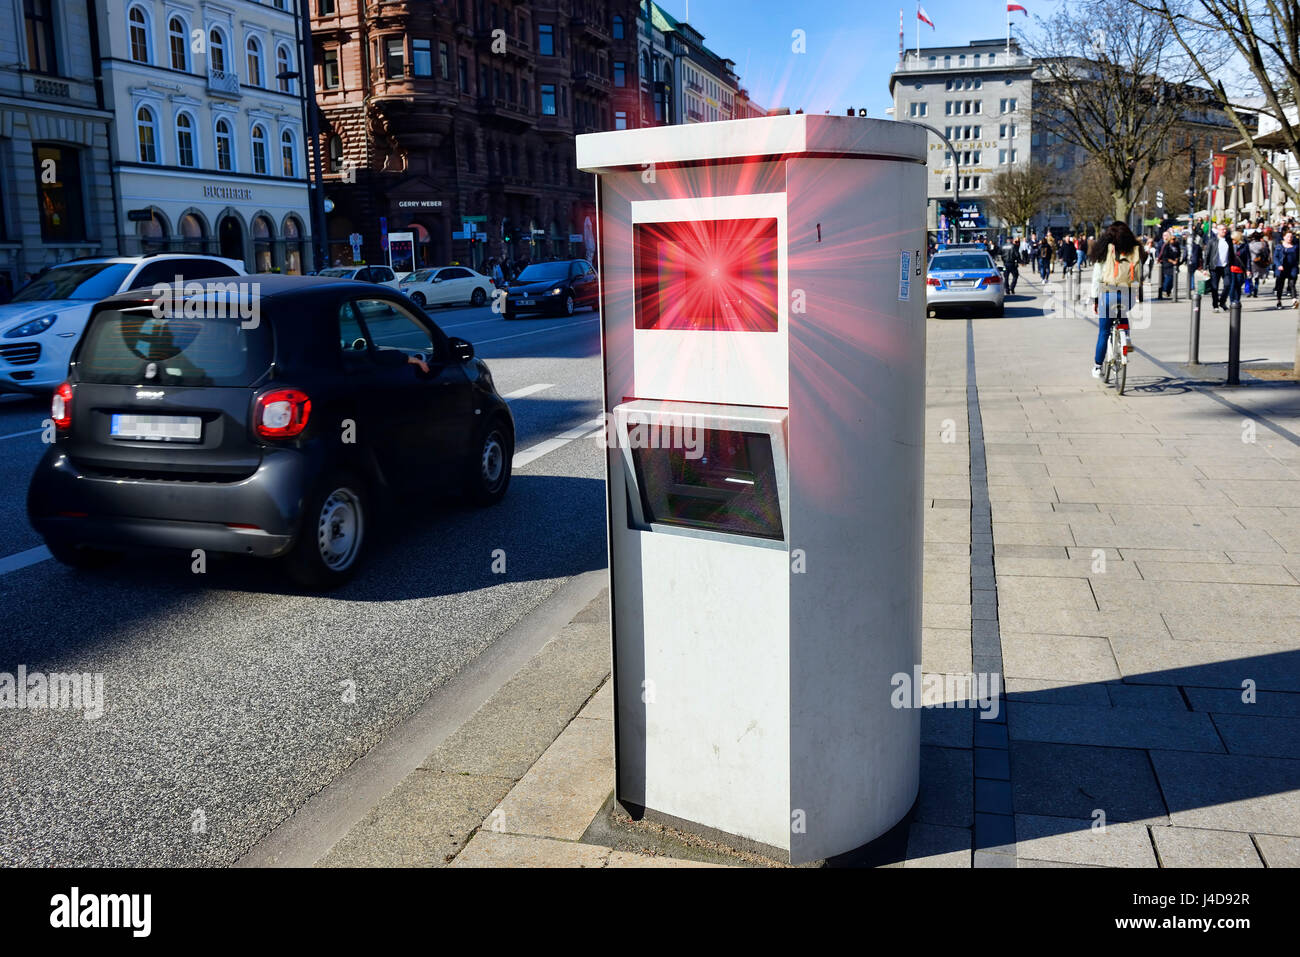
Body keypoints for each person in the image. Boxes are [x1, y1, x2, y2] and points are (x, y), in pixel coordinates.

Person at [1089, 221, 1143, 379]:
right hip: (1128, 294)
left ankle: (1098, 367)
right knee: (1122, 313)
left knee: (1104, 331)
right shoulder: (1135, 249)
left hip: (1109, 292)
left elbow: (1097, 277)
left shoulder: (1106, 249)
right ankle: (1126, 338)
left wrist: (1095, 299)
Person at [1201, 222, 1232, 311]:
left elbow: (1232, 254)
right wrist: (1205, 267)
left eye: (1225, 229)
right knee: (1214, 287)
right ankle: (1215, 305)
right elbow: (1207, 254)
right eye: (1222, 229)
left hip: (1226, 266)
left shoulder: (1228, 240)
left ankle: (1222, 302)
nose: (1224, 231)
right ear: (1218, 231)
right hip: (1214, 267)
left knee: (1227, 284)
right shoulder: (1212, 241)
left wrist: (1232, 264)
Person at [1273, 230, 1298, 308]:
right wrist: (1278, 265)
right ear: (1284, 237)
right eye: (1288, 236)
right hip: (1282, 269)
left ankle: (1294, 301)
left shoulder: (1296, 246)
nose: (1290, 238)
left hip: (1292, 268)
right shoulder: (1279, 246)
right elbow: (1275, 257)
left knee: (1292, 285)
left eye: (1291, 237)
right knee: (1280, 285)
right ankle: (1279, 301)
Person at [1226, 229, 1250, 305]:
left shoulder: (1244, 246)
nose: (1232, 240)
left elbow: (1248, 258)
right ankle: (1232, 301)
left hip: (1240, 268)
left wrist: (1248, 269)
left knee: (1238, 285)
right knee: (1232, 285)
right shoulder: (1229, 246)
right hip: (1231, 268)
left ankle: (1237, 300)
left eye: (1233, 239)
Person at [1157, 231, 1182, 300]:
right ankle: (1164, 290)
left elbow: (1179, 253)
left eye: (1175, 239)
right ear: (1169, 239)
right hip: (1167, 264)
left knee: (1173, 279)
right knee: (1168, 278)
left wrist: (1177, 259)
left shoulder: (1176, 245)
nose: (1174, 240)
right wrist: (1172, 261)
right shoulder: (1166, 246)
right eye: (1172, 239)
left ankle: (1168, 291)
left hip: (1175, 265)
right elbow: (1165, 256)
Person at [1249, 231, 1271, 296]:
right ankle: (1255, 290)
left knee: (1250, 277)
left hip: (1251, 262)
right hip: (1259, 261)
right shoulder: (1263, 244)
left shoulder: (1250, 245)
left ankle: (1250, 291)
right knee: (1257, 277)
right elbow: (1267, 253)